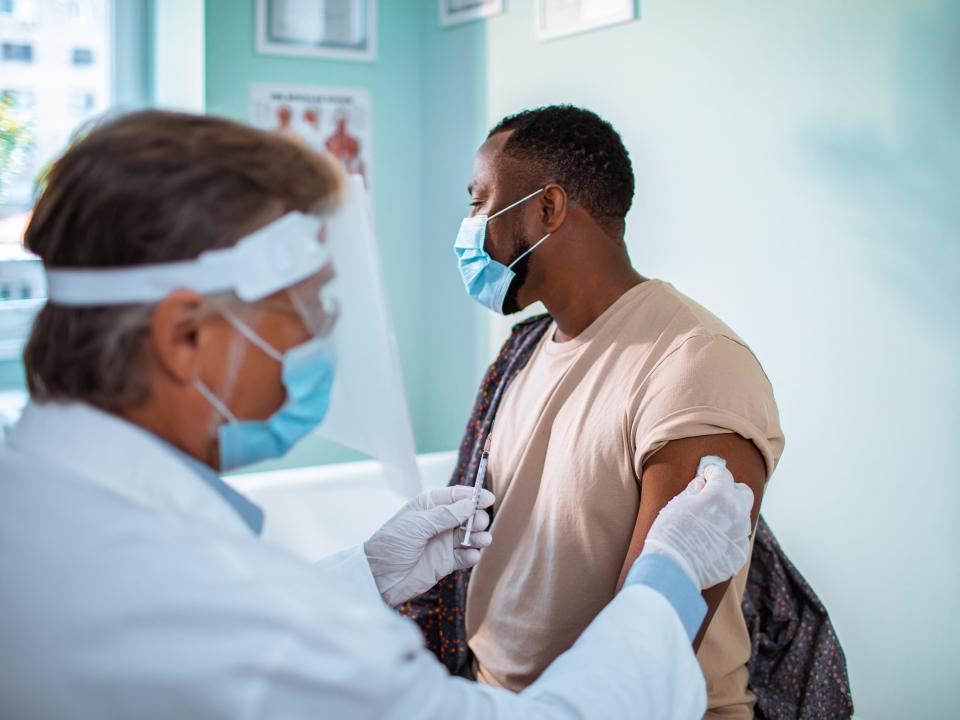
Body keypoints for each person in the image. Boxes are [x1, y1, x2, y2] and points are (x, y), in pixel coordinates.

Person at [0, 110, 755, 719]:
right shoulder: (235, 611)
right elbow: (250, 635)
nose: (317, 334)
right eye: (300, 307)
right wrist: (672, 576)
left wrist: (363, 574)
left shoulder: (36, 501)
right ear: (184, 337)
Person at [438, 105, 786, 718]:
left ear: (546, 208)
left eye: (480, 200)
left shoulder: (694, 363)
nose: (470, 227)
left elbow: (654, 654)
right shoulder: (525, 350)